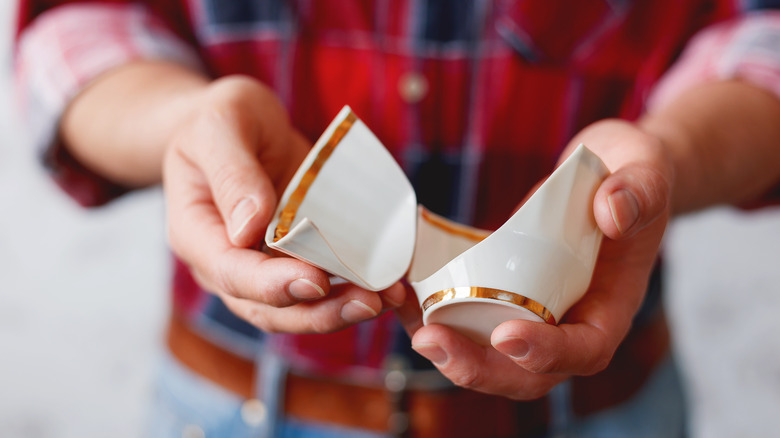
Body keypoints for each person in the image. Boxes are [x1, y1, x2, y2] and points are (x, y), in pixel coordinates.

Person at [14, 1, 780, 436]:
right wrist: (183, 124)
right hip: (233, 408)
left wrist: (667, 158)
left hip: (594, 413)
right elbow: (75, 23)